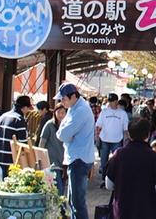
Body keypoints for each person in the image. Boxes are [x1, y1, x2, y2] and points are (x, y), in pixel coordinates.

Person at [106, 118, 156, 219]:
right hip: (147, 211)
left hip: (122, 212)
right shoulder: (153, 157)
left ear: (130, 134)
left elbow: (109, 184)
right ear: (148, 134)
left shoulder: (118, 154)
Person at [54, 83, 95, 219]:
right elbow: (62, 131)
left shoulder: (80, 111)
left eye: (63, 99)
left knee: (77, 201)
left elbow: (62, 135)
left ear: (73, 96)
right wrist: (65, 133)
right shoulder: (75, 107)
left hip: (79, 159)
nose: (62, 102)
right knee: (73, 200)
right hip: (77, 157)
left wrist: (65, 134)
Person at [95, 92, 128, 186]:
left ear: (116, 101)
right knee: (103, 161)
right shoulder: (104, 112)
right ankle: (104, 180)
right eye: (109, 101)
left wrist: (128, 138)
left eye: (112, 101)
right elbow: (98, 124)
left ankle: (115, 179)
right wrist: (97, 134)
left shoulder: (122, 113)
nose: (110, 103)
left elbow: (126, 127)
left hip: (117, 140)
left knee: (117, 161)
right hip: (104, 139)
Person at [0, 95, 33, 179]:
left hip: (0, 157)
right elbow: (23, 143)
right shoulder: (19, 119)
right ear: (23, 108)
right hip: (12, 159)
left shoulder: (2, 117)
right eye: (27, 109)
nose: (27, 111)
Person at [40, 106, 68, 197]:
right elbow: (42, 142)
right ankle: (61, 209)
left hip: (64, 162)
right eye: (58, 112)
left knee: (62, 188)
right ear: (54, 113)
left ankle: (60, 209)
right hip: (52, 162)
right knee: (58, 188)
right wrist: (41, 159)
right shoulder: (49, 125)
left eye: (63, 113)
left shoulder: (68, 126)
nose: (60, 115)